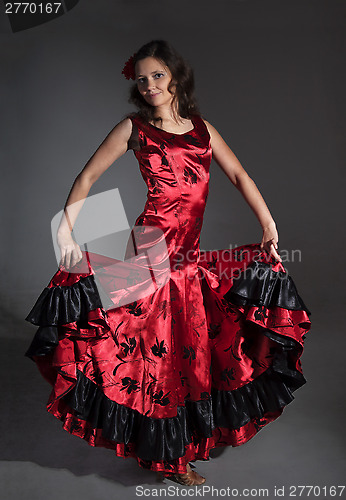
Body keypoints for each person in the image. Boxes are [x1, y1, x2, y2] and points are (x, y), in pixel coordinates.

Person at [25, 39, 311, 487]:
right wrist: (66, 229)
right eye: (142, 79)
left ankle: (175, 447)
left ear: (176, 76)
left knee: (188, 355)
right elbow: (88, 177)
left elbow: (238, 174)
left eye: (157, 75)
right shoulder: (134, 128)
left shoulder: (202, 129)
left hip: (187, 260)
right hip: (151, 253)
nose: (150, 85)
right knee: (150, 354)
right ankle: (168, 456)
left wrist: (268, 225)